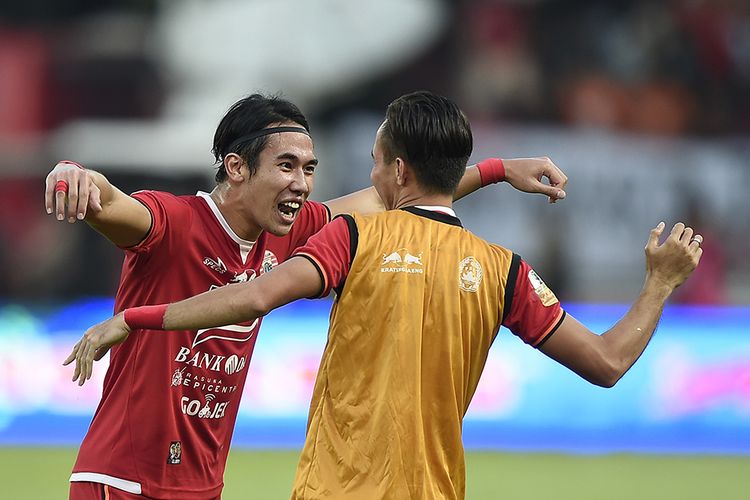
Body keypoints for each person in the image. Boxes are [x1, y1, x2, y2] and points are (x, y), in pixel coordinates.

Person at [68, 91, 702, 499]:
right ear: (238, 167)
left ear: (395, 169)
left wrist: (134, 319)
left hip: (302, 488)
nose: (306, 184)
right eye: (290, 167)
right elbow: (608, 362)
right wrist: (658, 284)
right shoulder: (504, 270)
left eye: (313, 170)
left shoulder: (344, 239)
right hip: (127, 478)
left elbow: (259, 296)